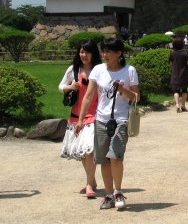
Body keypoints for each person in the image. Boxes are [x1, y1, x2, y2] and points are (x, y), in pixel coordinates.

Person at [74, 38, 139, 211]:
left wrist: (122, 89)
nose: (105, 54)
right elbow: (88, 96)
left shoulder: (129, 70)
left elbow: (135, 97)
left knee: (116, 156)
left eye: (109, 51)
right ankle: (108, 194)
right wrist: (80, 119)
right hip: (101, 119)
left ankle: (118, 191)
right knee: (103, 159)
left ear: (119, 53)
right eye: (103, 51)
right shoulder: (98, 70)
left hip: (121, 119)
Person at [59, 40, 102, 198]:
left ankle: (89, 184)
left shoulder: (99, 70)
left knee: (89, 150)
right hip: (77, 115)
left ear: (93, 54)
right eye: (81, 52)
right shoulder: (74, 69)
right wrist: (70, 87)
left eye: (87, 52)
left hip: (95, 115)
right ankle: (92, 180)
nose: (83, 55)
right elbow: (60, 86)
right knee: (84, 152)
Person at [169, 38, 188, 112]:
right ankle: (183, 106)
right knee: (184, 90)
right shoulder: (185, 53)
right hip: (184, 73)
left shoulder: (172, 53)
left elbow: (171, 64)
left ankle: (177, 105)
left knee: (176, 90)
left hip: (175, 73)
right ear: (182, 44)